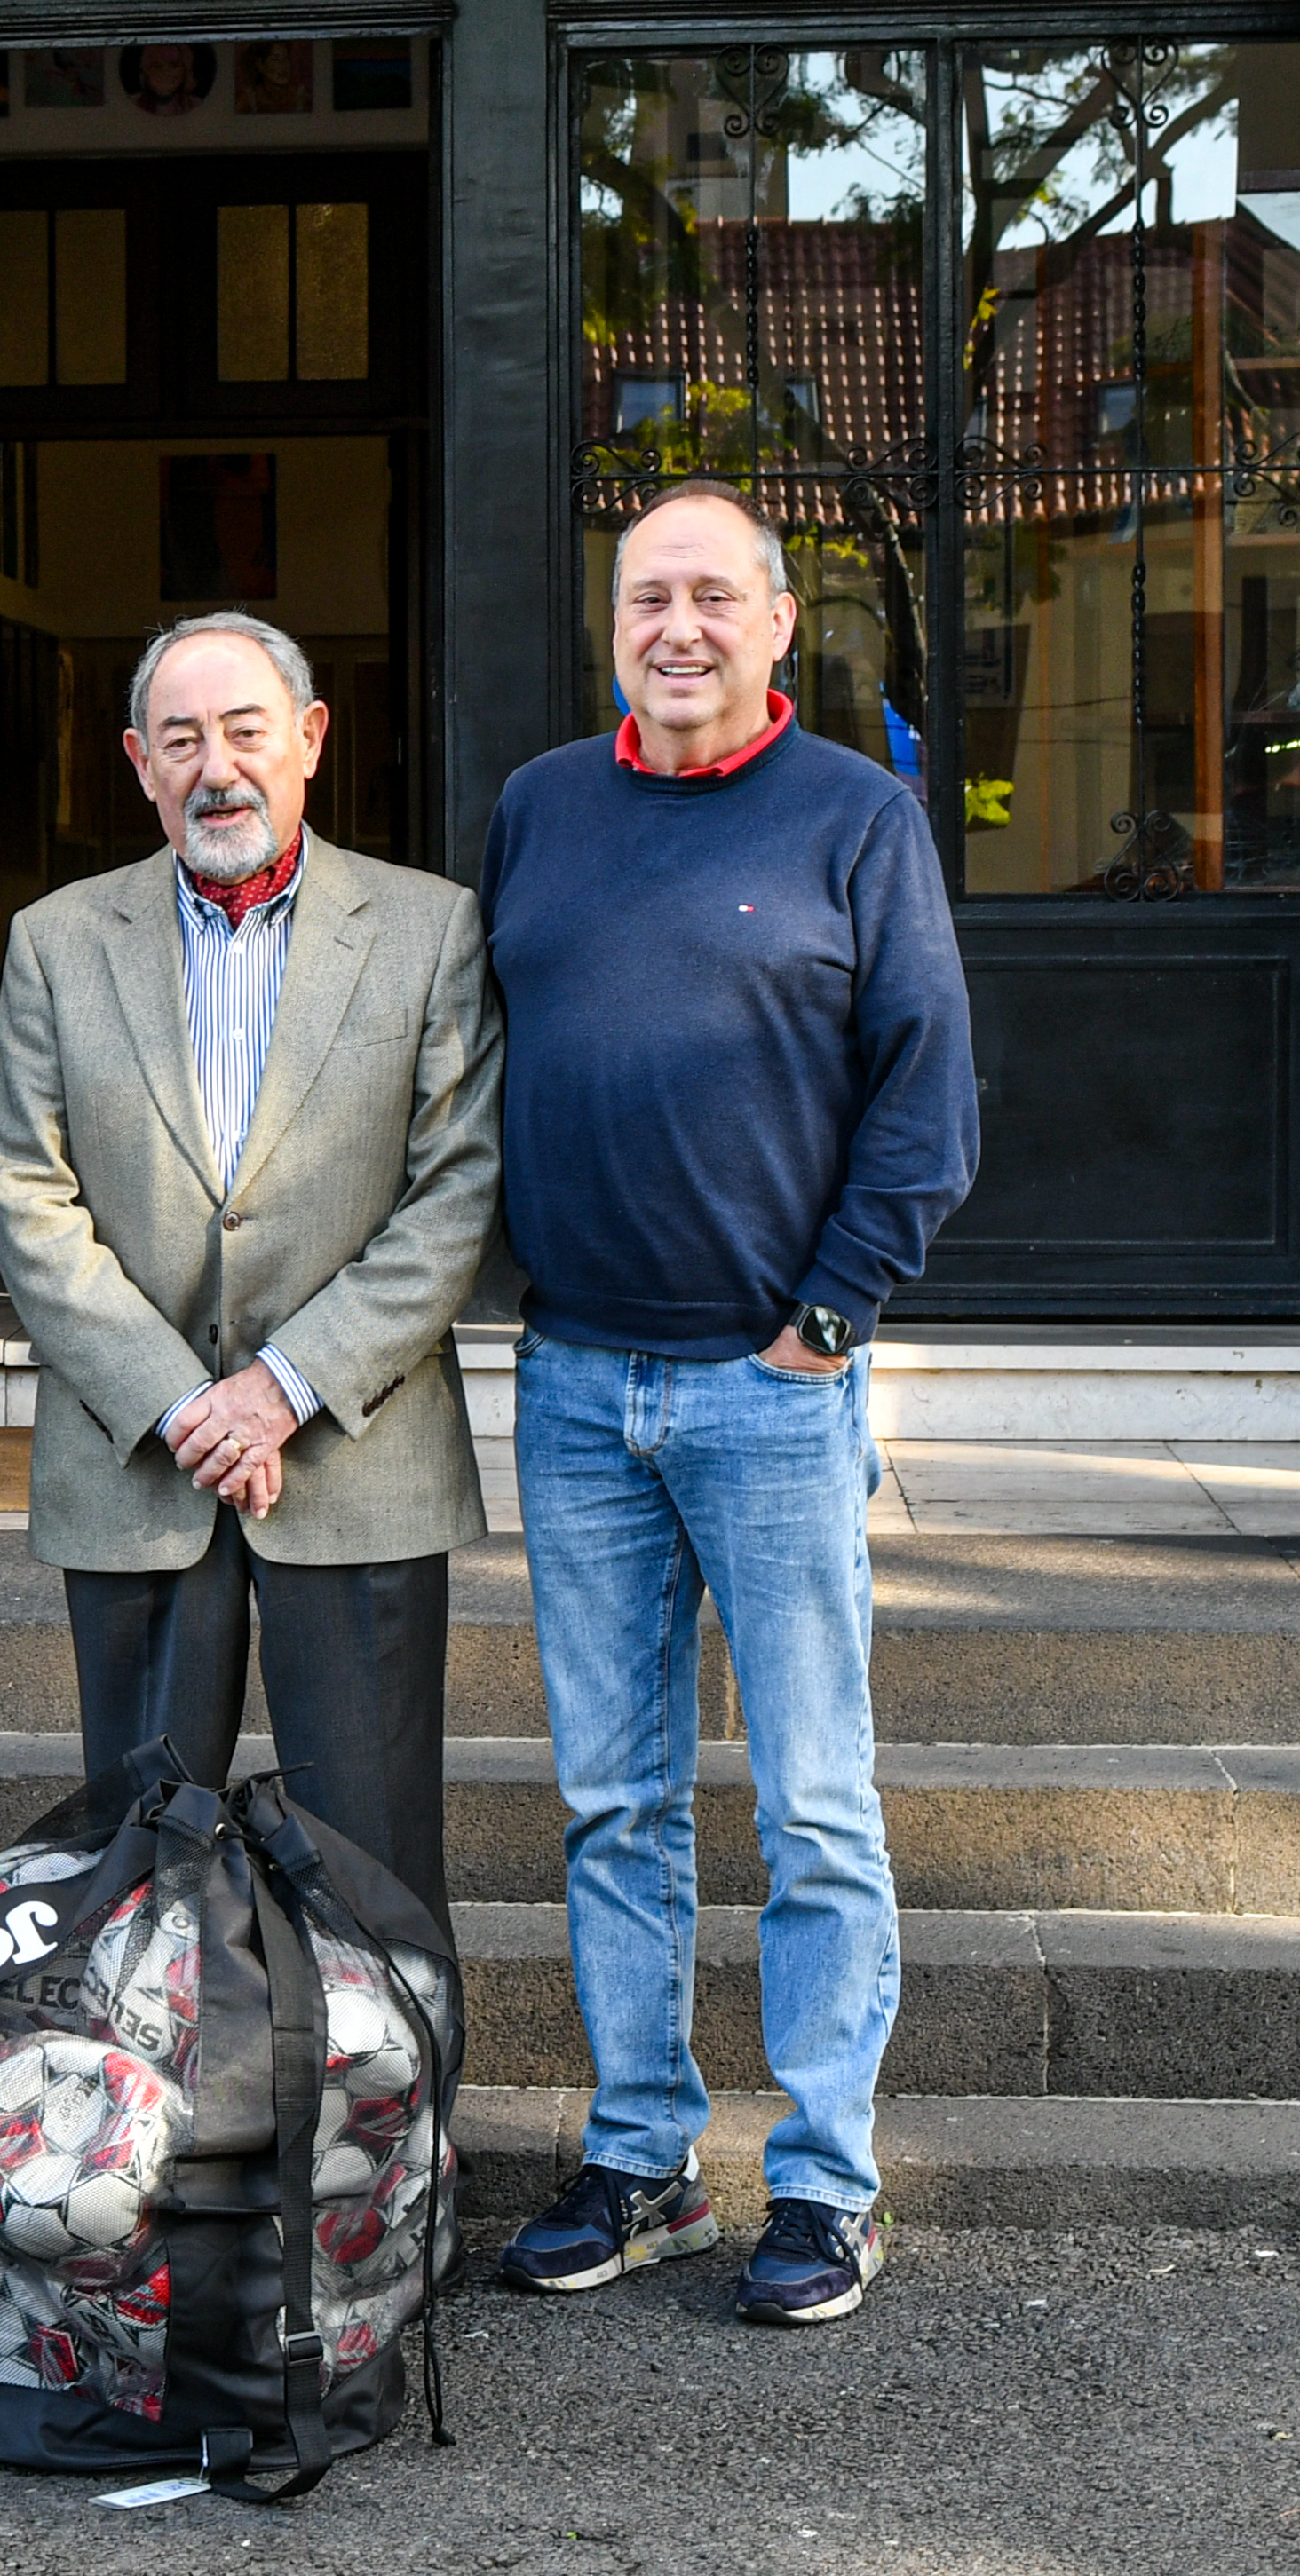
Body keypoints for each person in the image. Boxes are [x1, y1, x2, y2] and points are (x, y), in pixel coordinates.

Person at [480, 479, 979, 2327]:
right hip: (573, 1373)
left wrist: (829, 1323)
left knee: (814, 1810)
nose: (673, 628)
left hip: (768, 1385)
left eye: (710, 597)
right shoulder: (540, 808)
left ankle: (826, 2182)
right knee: (613, 1805)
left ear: (776, 623)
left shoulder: (854, 815)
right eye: (642, 599)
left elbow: (926, 1092)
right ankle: (638, 2161)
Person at [0, 613, 499, 1926]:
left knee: (372, 1855)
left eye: (246, 730)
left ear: (310, 740)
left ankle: (381, 2128)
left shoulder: (426, 931)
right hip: (136, 1466)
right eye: (181, 738)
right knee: (137, 1854)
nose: (217, 766)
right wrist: (178, 1398)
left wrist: (280, 1385)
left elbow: (454, 1194)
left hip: (356, 1457)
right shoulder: (54, 941)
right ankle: (137, 2120)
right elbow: (26, 1196)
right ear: (137, 764)